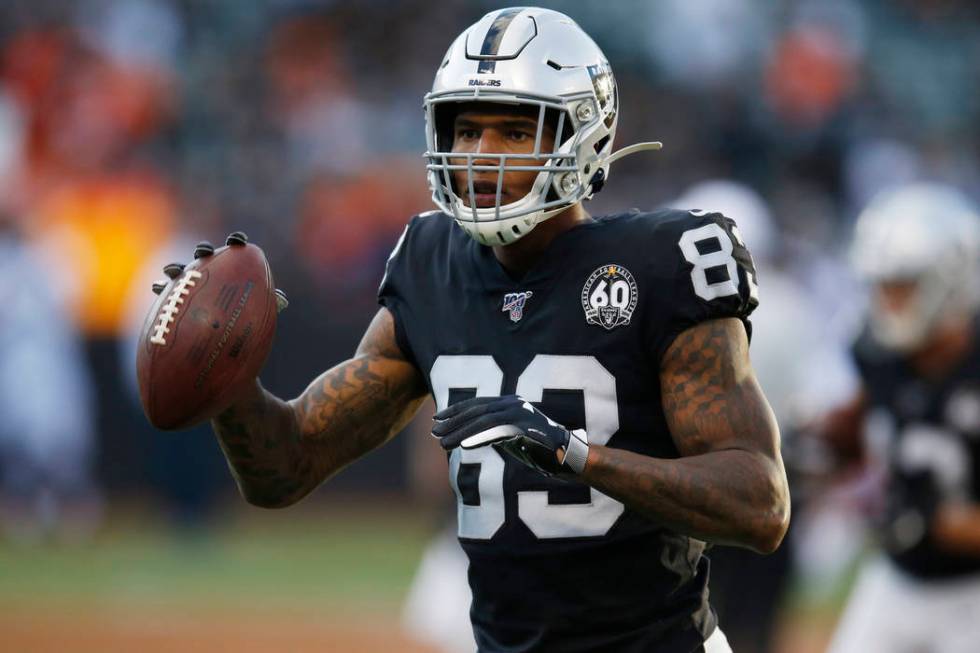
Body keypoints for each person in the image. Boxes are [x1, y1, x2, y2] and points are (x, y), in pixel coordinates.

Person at [171, 8, 789, 652]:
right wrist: (228, 382)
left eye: (516, 132)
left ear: (584, 137)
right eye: (466, 130)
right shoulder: (430, 263)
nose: (480, 155)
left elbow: (759, 504)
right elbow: (284, 468)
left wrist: (574, 455)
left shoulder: (663, 262)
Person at [824, 183, 980, 653]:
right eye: (881, 285)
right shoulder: (878, 355)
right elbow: (857, 425)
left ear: (949, 278)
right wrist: (824, 441)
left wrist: (941, 522)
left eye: (902, 285)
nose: (886, 300)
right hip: (895, 579)